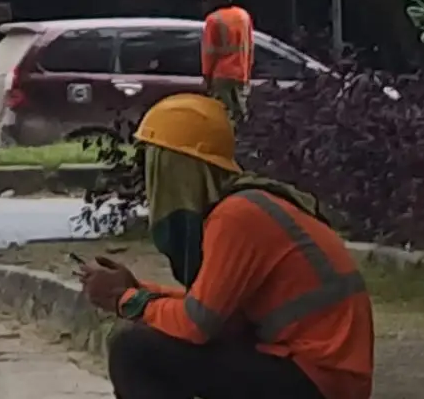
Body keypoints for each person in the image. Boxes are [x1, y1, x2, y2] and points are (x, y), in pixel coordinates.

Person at [76, 93, 373, 399]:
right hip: (317, 372)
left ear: (176, 167)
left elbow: (197, 324)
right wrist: (138, 289)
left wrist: (126, 300)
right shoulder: (246, 205)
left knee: (133, 349)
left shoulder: (236, 216)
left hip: (318, 379)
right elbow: (211, 307)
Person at [200, 0, 254, 125]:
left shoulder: (213, 19)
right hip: (241, 74)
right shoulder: (244, 16)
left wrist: (206, 76)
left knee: (222, 115)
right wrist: (247, 71)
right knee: (240, 114)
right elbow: (250, 47)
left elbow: (209, 53)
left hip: (221, 75)